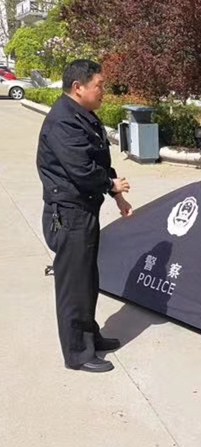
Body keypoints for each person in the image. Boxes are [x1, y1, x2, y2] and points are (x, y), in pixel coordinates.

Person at [37, 59, 133, 372]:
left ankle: (90, 336)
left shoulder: (83, 115)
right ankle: (78, 353)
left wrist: (117, 196)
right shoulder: (63, 121)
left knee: (88, 280)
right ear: (78, 87)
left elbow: (100, 160)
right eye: (99, 86)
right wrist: (111, 185)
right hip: (69, 214)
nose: (103, 91)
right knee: (74, 287)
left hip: (85, 210)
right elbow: (81, 169)